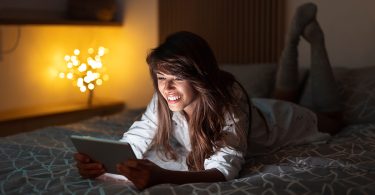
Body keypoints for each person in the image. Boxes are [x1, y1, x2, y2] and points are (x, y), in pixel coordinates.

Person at [74, 2, 342, 190]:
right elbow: (138, 135)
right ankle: (292, 41)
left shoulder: (228, 106)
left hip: (280, 121)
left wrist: (161, 177)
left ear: (200, 77)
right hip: (256, 112)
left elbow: (225, 169)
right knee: (283, 93)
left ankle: (312, 40)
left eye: (177, 78)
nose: (166, 89)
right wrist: (105, 162)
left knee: (334, 118)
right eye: (161, 78)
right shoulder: (164, 97)